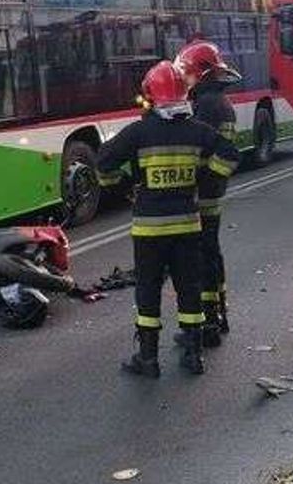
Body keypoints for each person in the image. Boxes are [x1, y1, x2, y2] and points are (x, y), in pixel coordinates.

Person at [97, 61, 239, 378]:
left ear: (150, 94)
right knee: (189, 287)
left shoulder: (138, 132)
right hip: (188, 225)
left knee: (148, 289)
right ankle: (193, 355)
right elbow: (230, 155)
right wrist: (203, 178)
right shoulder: (198, 130)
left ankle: (147, 359)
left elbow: (103, 162)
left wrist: (124, 189)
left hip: (149, 229)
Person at [175, 41, 241, 348]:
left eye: (187, 73)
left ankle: (208, 323)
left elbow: (216, 153)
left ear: (200, 73)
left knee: (201, 259)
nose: (184, 79)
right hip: (211, 194)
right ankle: (218, 314)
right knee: (210, 254)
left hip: (203, 195)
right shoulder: (215, 101)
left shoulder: (209, 104)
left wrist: (199, 181)